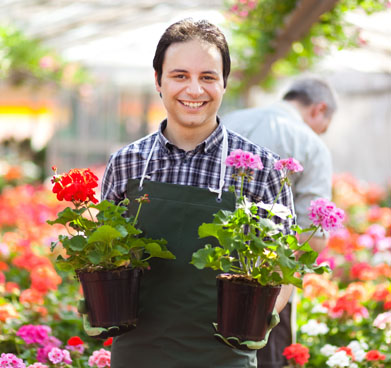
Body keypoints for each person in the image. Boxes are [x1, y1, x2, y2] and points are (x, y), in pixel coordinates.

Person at [101, 19, 295, 368]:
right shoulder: (126, 164)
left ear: (224, 84)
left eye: (207, 77)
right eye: (180, 76)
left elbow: (285, 270)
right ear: (158, 81)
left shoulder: (263, 169)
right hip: (138, 354)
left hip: (224, 356)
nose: (194, 90)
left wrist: (254, 323)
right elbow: (104, 260)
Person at [223, 77, 337, 368]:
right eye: (323, 127)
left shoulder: (226, 121)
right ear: (318, 110)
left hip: (207, 272)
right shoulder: (310, 144)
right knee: (266, 356)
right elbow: (314, 236)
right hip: (269, 285)